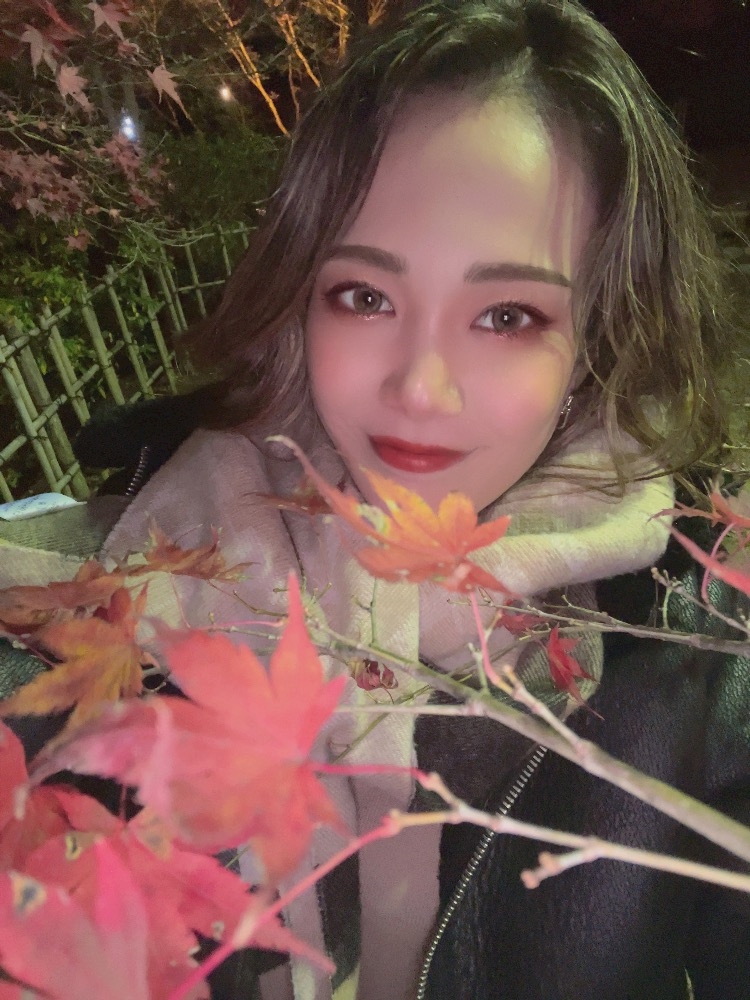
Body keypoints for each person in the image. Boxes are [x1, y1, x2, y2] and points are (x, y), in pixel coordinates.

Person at [2, 1, 749, 998]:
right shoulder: (131, 579)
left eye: (506, 315)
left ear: (597, 337)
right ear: (300, 300)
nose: (419, 389)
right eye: (364, 296)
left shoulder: (697, 657)